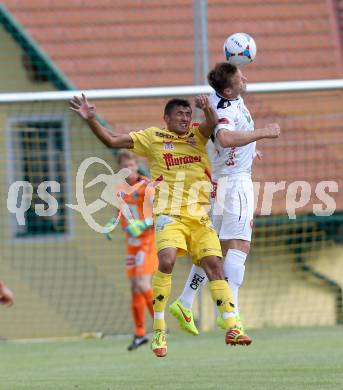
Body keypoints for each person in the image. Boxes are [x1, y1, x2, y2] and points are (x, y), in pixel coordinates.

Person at [70, 93, 275, 357]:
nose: (185, 118)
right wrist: (91, 119)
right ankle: (158, 330)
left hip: (199, 216)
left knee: (214, 264)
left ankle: (232, 326)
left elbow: (214, 127)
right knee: (166, 260)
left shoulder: (198, 134)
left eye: (188, 114)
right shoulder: (152, 138)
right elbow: (111, 139)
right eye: (179, 114)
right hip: (169, 214)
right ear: (166, 118)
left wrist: (208, 108)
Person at [169, 62, 280, 341]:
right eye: (240, 76)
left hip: (221, 182)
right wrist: (262, 133)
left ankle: (185, 301)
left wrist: (250, 150)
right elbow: (225, 137)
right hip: (235, 184)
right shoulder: (227, 109)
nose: (245, 76)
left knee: (214, 246)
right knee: (240, 245)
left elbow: (225, 142)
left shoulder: (227, 98)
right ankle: (231, 316)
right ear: (228, 89)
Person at [105, 150, 158, 351]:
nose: (129, 170)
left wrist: (144, 224)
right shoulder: (118, 189)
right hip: (131, 243)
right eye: (125, 167)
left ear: (137, 166)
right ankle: (139, 334)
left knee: (142, 283)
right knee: (134, 287)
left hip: (147, 240)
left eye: (132, 166)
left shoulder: (147, 187)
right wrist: (112, 223)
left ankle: (159, 325)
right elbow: (119, 212)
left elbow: (160, 213)